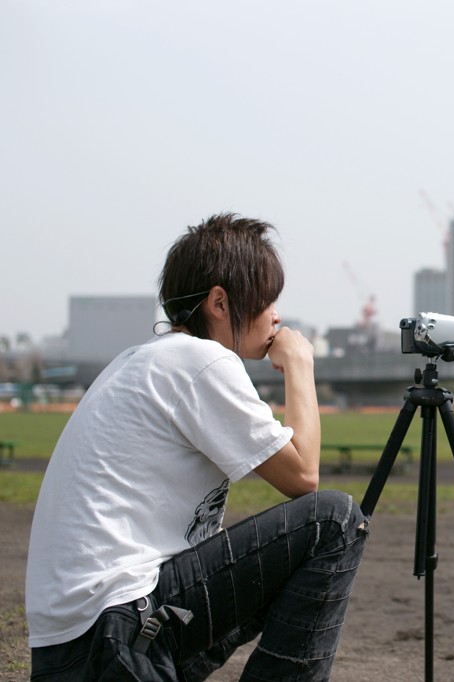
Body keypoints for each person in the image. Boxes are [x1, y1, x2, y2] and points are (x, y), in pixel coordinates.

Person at [26, 213, 367, 680]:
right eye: (267, 298)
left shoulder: (143, 359)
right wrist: (301, 364)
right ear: (220, 302)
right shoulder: (198, 360)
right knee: (336, 521)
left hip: (76, 643)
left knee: (284, 564)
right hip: (115, 627)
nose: (276, 315)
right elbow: (302, 477)